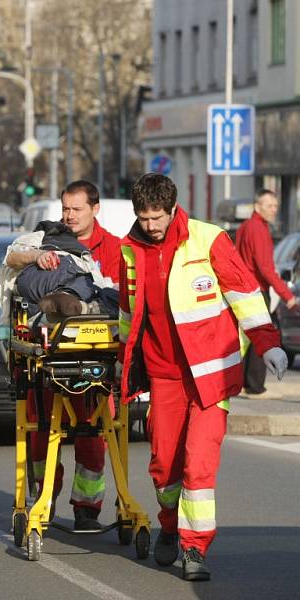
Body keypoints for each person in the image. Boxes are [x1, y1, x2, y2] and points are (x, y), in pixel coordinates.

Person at [118, 173, 287, 581]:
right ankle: (169, 524)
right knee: (163, 464)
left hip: (211, 374)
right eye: (144, 218)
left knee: (199, 464)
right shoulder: (131, 250)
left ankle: (195, 549)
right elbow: (129, 313)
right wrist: (120, 362)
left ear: (173, 208)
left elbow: (243, 292)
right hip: (165, 375)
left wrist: (268, 343)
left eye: (157, 217)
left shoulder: (208, 239)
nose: (151, 226)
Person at [6, 180, 121, 531]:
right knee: (40, 432)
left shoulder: (114, 248)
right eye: (66, 209)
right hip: (49, 354)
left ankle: (88, 506)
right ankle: (45, 495)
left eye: (77, 209)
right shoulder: (48, 239)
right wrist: (38, 256)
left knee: (93, 434)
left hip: (93, 353)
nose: (69, 216)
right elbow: (12, 258)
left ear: (95, 209)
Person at [235, 189, 297, 395]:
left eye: (276, 206)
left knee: (247, 337)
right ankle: (255, 385)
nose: (274, 210)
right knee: (261, 337)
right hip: (257, 291)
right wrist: (287, 295)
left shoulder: (245, 227)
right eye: (269, 205)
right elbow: (265, 268)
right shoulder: (258, 229)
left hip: (244, 290)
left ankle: (244, 383)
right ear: (257, 206)